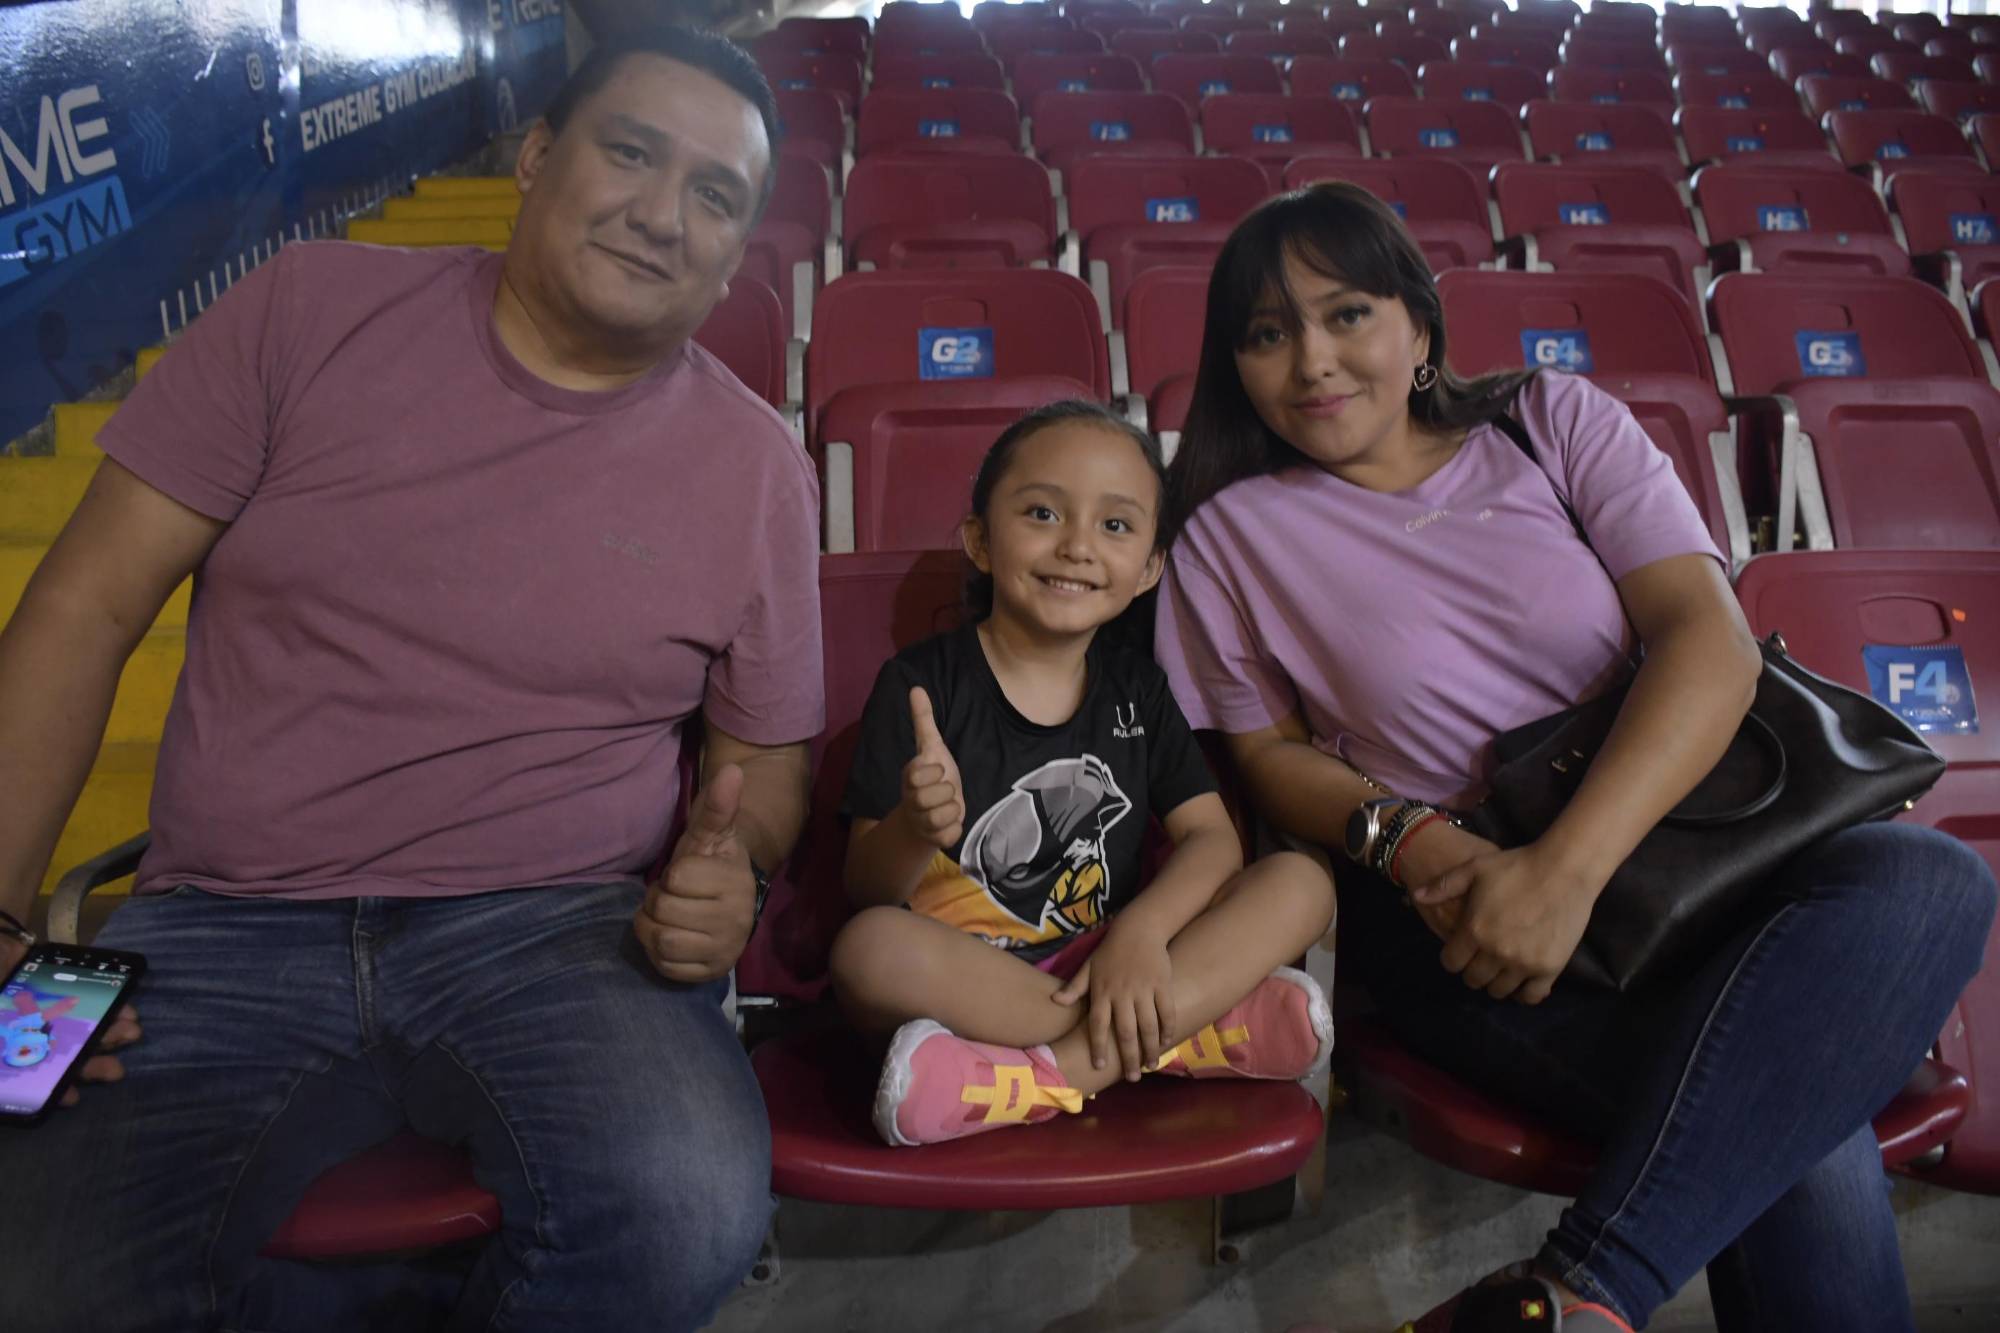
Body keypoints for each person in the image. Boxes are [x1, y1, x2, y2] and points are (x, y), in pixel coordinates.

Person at [0, 26, 820, 1333]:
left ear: (732, 260)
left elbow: (763, 760)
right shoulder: (301, 310)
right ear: (535, 155)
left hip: (568, 934)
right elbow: (83, 607)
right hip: (210, 917)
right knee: (22, 1227)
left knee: (691, 1210)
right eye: (630, 153)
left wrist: (741, 866)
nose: (662, 215)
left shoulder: (758, 465)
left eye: (714, 196)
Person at [1153, 183, 1998, 1333]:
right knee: (1797, 1118)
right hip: (1474, 925)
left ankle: (1572, 1293)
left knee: (1931, 879)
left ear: (1416, 325)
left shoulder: (1546, 420)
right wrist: (1416, 843)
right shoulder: (1223, 534)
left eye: (1345, 313)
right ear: (1235, 367)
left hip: (1691, 858)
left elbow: (1706, 643)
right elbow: (1264, 752)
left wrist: (1565, 874)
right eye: (1265, 334)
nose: (1311, 360)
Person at [829, 401, 1336, 1148]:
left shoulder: (1139, 690)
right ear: (980, 540)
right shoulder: (920, 684)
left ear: (1150, 568)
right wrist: (914, 827)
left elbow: (1212, 840)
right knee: (866, 950)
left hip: (1114, 960)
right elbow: (868, 889)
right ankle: (1175, 1040)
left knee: (1303, 883)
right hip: (970, 989)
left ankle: (1040, 1079)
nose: (1076, 546)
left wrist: (1141, 932)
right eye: (1042, 513)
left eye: (1116, 525)